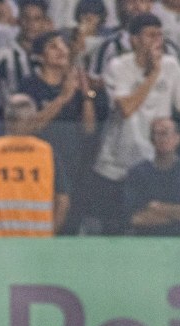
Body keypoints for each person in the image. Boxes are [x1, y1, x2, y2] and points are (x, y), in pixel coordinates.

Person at [87, 13, 180, 235]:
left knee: (155, 225)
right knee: (115, 231)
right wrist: (153, 74)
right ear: (134, 40)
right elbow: (126, 109)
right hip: (116, 166)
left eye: (160, 35)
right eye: (150, 35)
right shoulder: (118, 66)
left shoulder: (172, 66)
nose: (157, 40)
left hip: (154, 165)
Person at [18, 30, 108, 233]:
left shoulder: (73, 86)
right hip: (37, 171)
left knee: (69, 230)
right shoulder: (30, 85)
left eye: (63, 45)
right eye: (52, 46)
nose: (61, 50)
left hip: (72, 170)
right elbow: (28, 128)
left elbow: (89, 129)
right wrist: (62, 99)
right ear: (40, 57)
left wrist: (85, 95)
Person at [0, 93, 70, 236]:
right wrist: (49, 233)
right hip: (38, 243)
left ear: (6, 120)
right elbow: (63, 202)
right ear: (32, 120)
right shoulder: (47, 153)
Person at [122, 117, 180, 236]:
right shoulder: (138, 173)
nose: (161, 138)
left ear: (177, 138)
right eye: (156, 134)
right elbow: (135, 219)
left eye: (165, 133)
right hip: (147, 241)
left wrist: (158, 208)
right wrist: (178, 214)